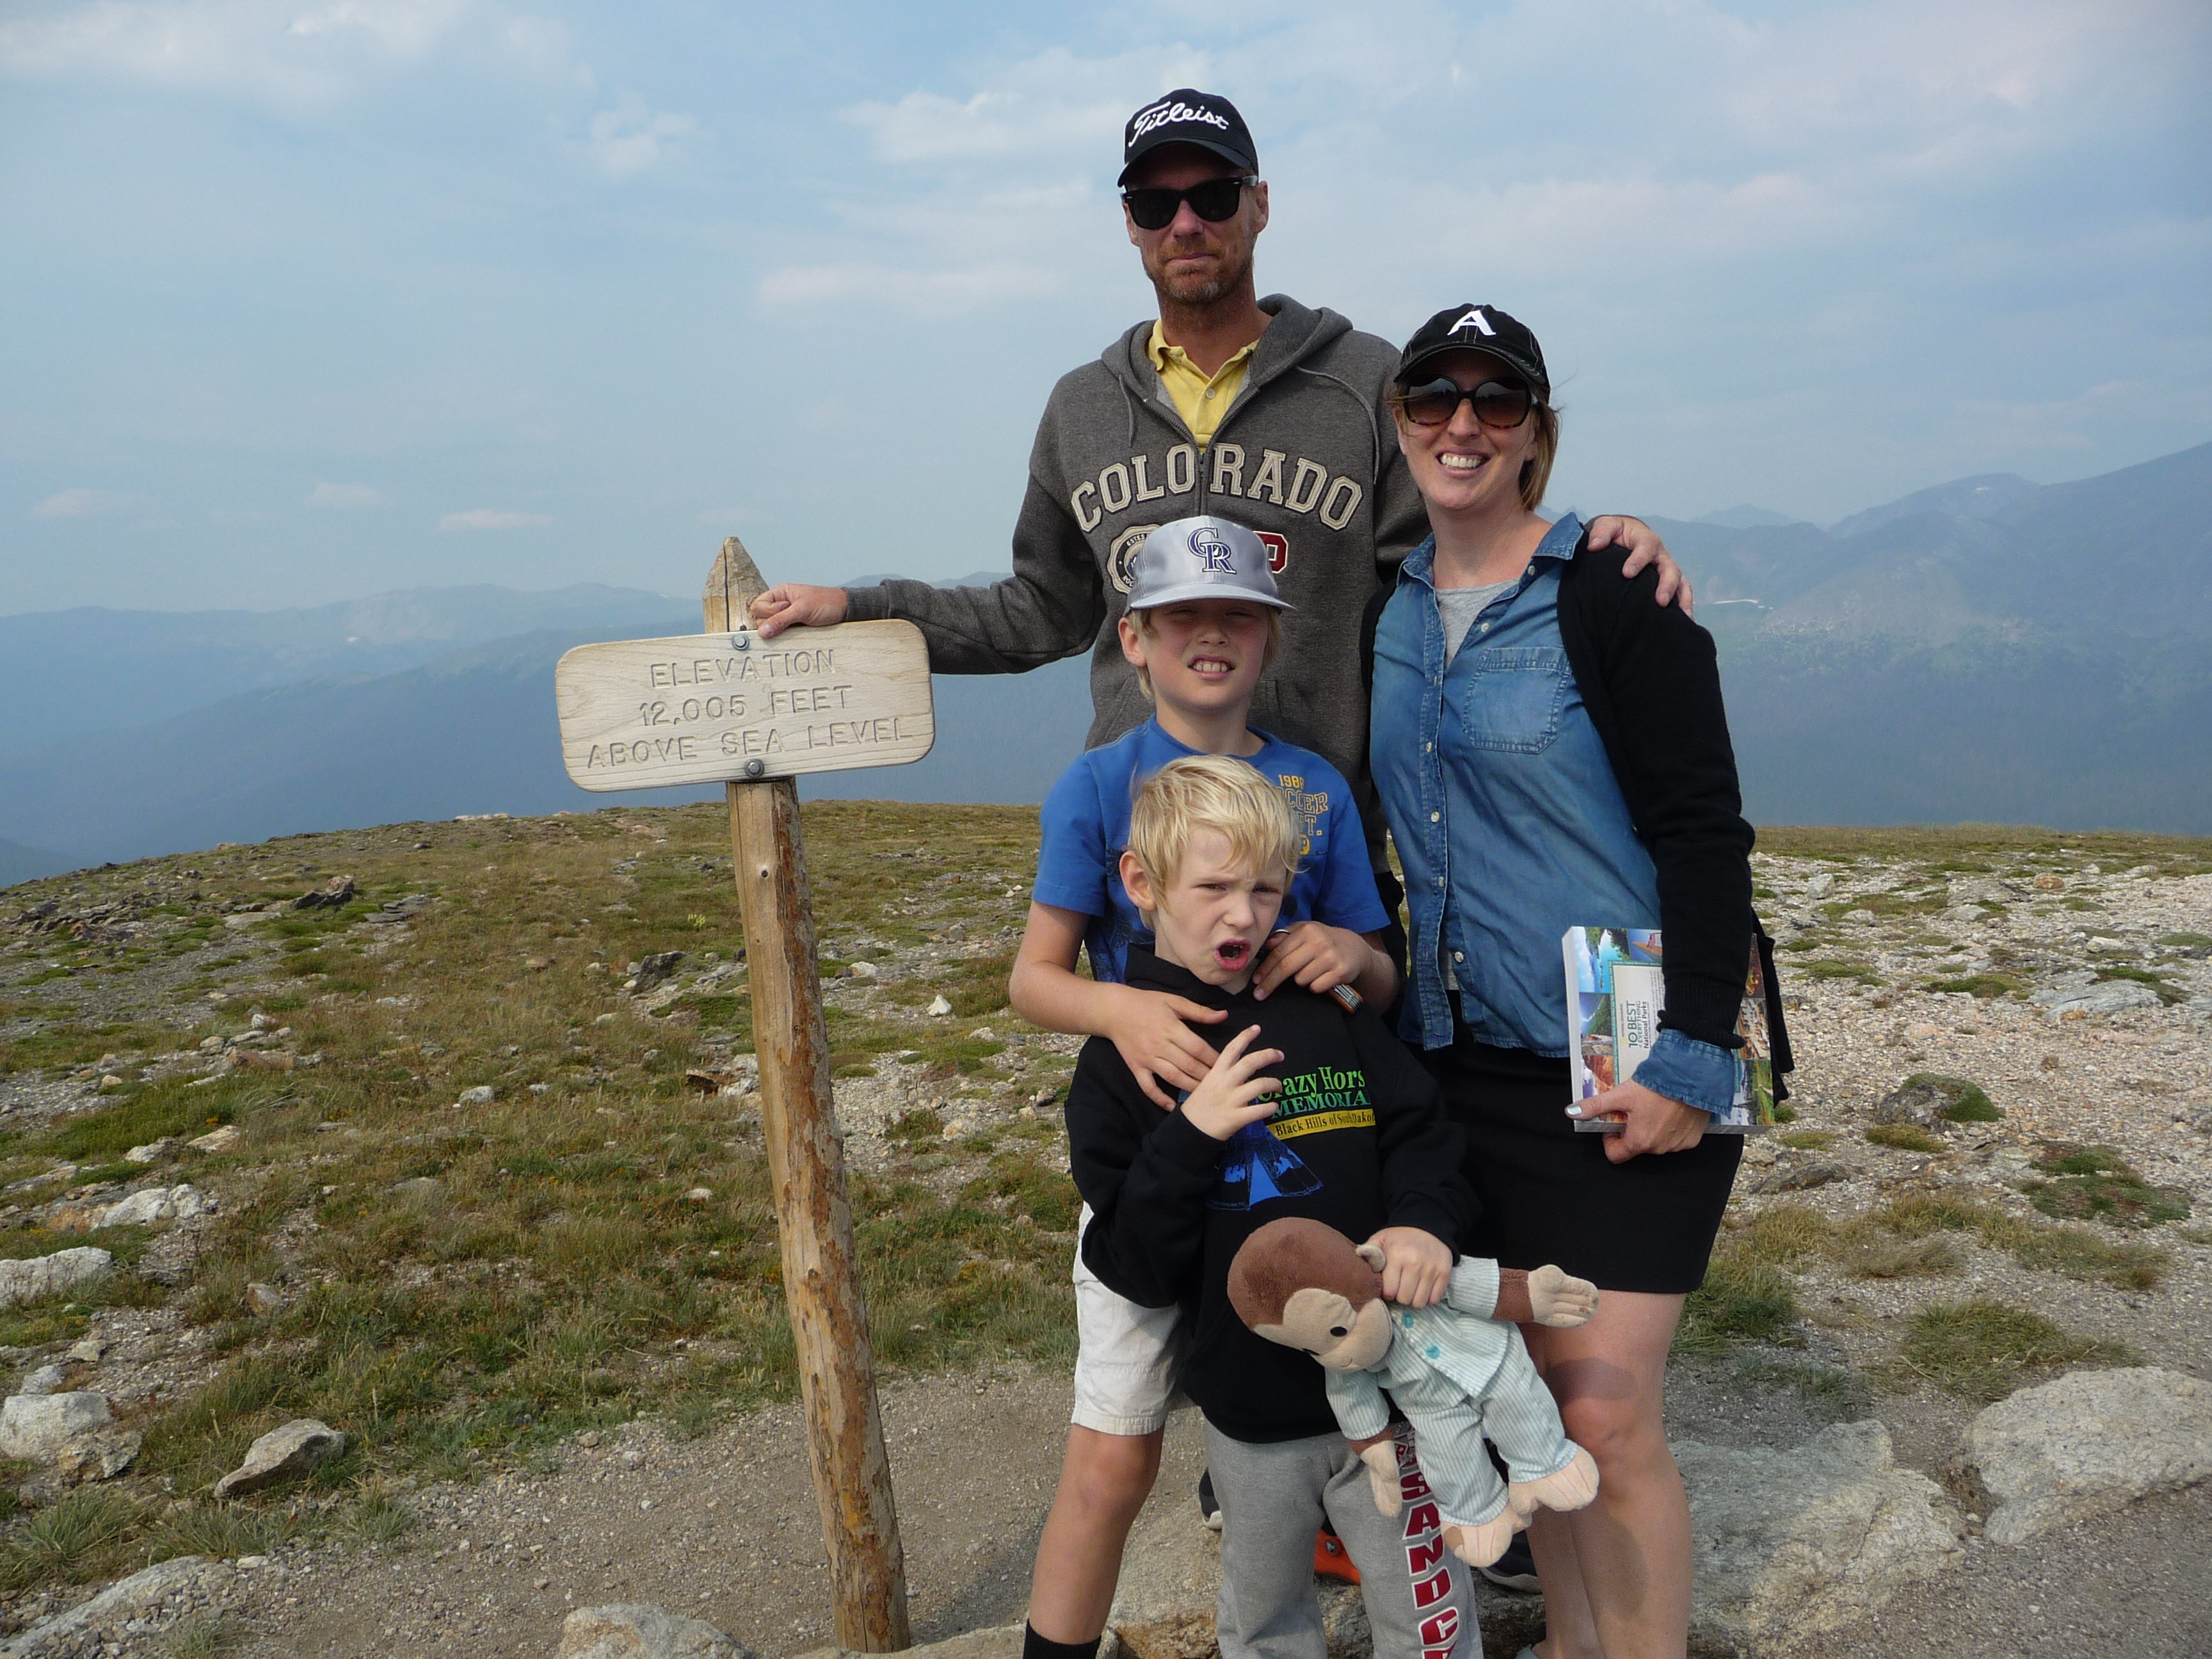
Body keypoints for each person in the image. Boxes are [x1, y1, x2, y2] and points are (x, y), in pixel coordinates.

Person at [748, 87, 1692, 883]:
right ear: (1129, 223)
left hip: (1317, 849)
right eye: (1156, 204)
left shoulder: (1365, 381)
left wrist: (1582, 549)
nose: (1186, 223)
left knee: (1331, 1058)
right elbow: (1042, 609)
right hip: (1141, 858)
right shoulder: (1081, 407)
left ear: (1259, 204)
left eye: (1211, 194)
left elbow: (1448, 571)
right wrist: (861, 608)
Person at [1365, 304, 1774, 1659]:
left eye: (1498, 400)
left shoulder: (1610, 591)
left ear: (1538, 430)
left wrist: (1694, 1057)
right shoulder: (1386, 609)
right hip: (1459, 1064)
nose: (1463, 425)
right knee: (1529, 1402)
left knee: (1607, 1409)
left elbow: (1705, 834)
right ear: (1401, 422)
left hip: (1625, 1053)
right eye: (1435, 398)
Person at [1006, 513, 1398, 1659]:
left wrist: (1352, 954)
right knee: (1115, 1447)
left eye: (1239, 617)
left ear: (1270, 640)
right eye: (1185, 618)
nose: (1213, 637)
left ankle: (1327, 1560)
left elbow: (1379, 976)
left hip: (1296, 1153)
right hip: (1154, 1147)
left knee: (1316, 1402)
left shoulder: (1315, 785)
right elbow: (1034, 978)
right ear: (1134, 638)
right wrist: (1120, 1008)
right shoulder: (1096, 787)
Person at [1063, 755, 1480, 1659]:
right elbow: (1135, 1267)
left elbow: (1422, 1128)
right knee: (1264, 1625)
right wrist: (1193, 1133)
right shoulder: (1118, 1066)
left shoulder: (1329, 1011)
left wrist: (1423, 1221)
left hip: (1396, 1392)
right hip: (1250, 1420)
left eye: (1265, 888)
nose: (1244, 915)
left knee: (1427, 1614)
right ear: (1142, 883)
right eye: (1213, 888)